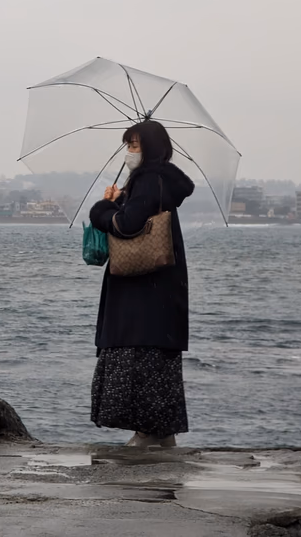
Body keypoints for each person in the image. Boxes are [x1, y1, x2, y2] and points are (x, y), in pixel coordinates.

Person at [88, 119, 195, 448]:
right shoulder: (161, 180)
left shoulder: (149, 179)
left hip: (142, 293)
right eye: (128, 144)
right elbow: (139, 215)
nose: (130, 151)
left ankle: (145, 434)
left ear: (151, 148)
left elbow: (128, 224)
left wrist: (102, 209)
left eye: (135, 145)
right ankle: (162, 435)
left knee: (139, 358)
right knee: (157, 361)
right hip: (161, 292)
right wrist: (121, 199)